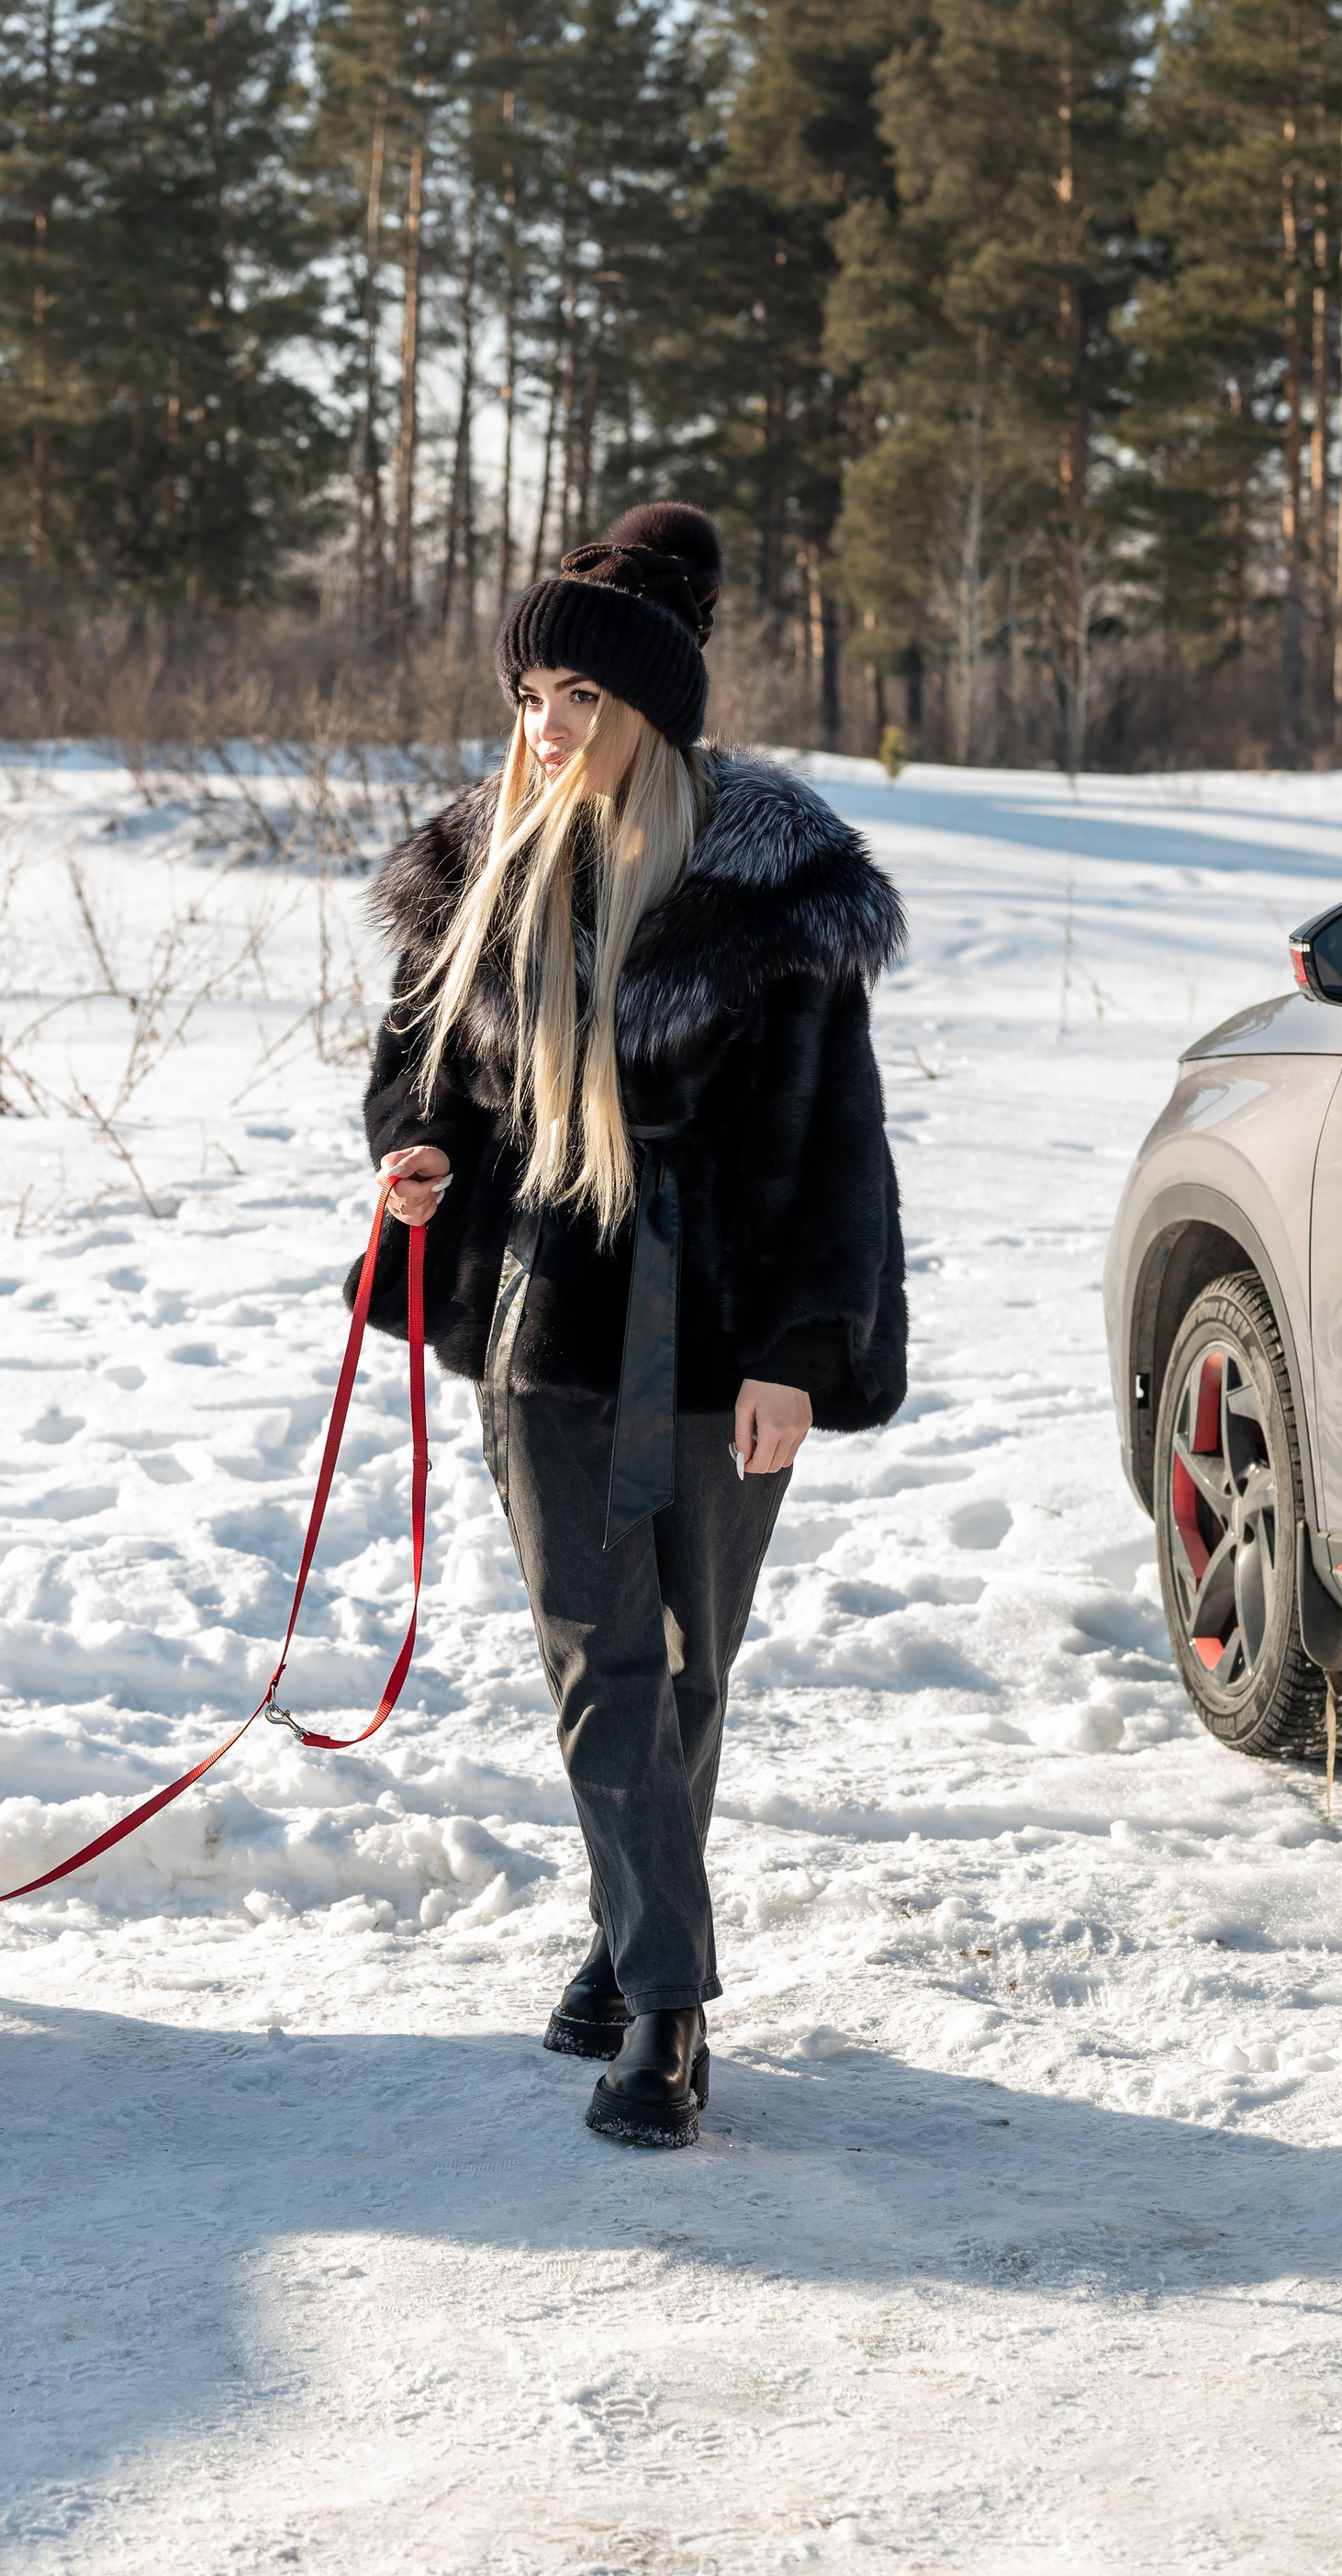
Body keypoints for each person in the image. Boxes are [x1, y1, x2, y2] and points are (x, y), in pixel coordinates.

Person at [356, 501, 906, 2147]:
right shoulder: (480, 861)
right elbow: (412, 1061)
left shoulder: (770, 882)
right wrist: (418, 1143)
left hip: (727, 1319)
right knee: (603, 1662)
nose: (545, 727)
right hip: (548, 1315)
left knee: (693, 1669)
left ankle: (622, 1937)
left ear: (651, 710)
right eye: (530, 696)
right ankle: (669, 2014)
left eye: (579, 700)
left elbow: (835, 1143)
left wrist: (804, 1356)